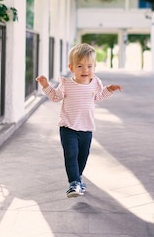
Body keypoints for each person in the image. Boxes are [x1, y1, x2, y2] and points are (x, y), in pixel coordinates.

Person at [36, 43, 123, 198]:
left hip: (87, 129)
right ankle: (74, 183)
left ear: (94, 67)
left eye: (89, 66)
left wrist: (109, 89)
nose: (85, 70)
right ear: (71, 68)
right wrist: (46, 86)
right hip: (68, 127)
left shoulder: (95, 82)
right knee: (71, 154)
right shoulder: (67, 84)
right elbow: (56, 97)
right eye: (80, 66)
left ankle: (78, 179)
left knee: (82, 157)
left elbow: (98, 96)